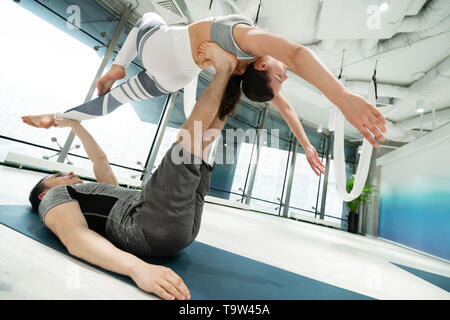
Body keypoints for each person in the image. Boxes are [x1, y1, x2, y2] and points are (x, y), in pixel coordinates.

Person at [22, 12, 387, 175]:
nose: (286, 74)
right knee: (116, 101)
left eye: (280, 76)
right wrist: (307, 146)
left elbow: (295, 54)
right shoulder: (241, 70)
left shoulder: (248, 43)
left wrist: (341, 97)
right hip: (174, 78)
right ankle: (59, 118)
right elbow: (288, 110)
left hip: (163, 51)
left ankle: (113, 69)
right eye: (284, 78)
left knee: (149, 17)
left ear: (262, 67)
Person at [27, 43, 242, 300]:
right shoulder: (55, 198)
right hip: (148, 225)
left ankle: (235, 78)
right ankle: (225, 69)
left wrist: (74, 123)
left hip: (175, 230)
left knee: (204, 143)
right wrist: (137, 268)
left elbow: (100, 160)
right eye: (57, 176)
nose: (68, 173)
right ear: (43, 194)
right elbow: (76, 237)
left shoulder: (90, 193)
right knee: (188, 143)